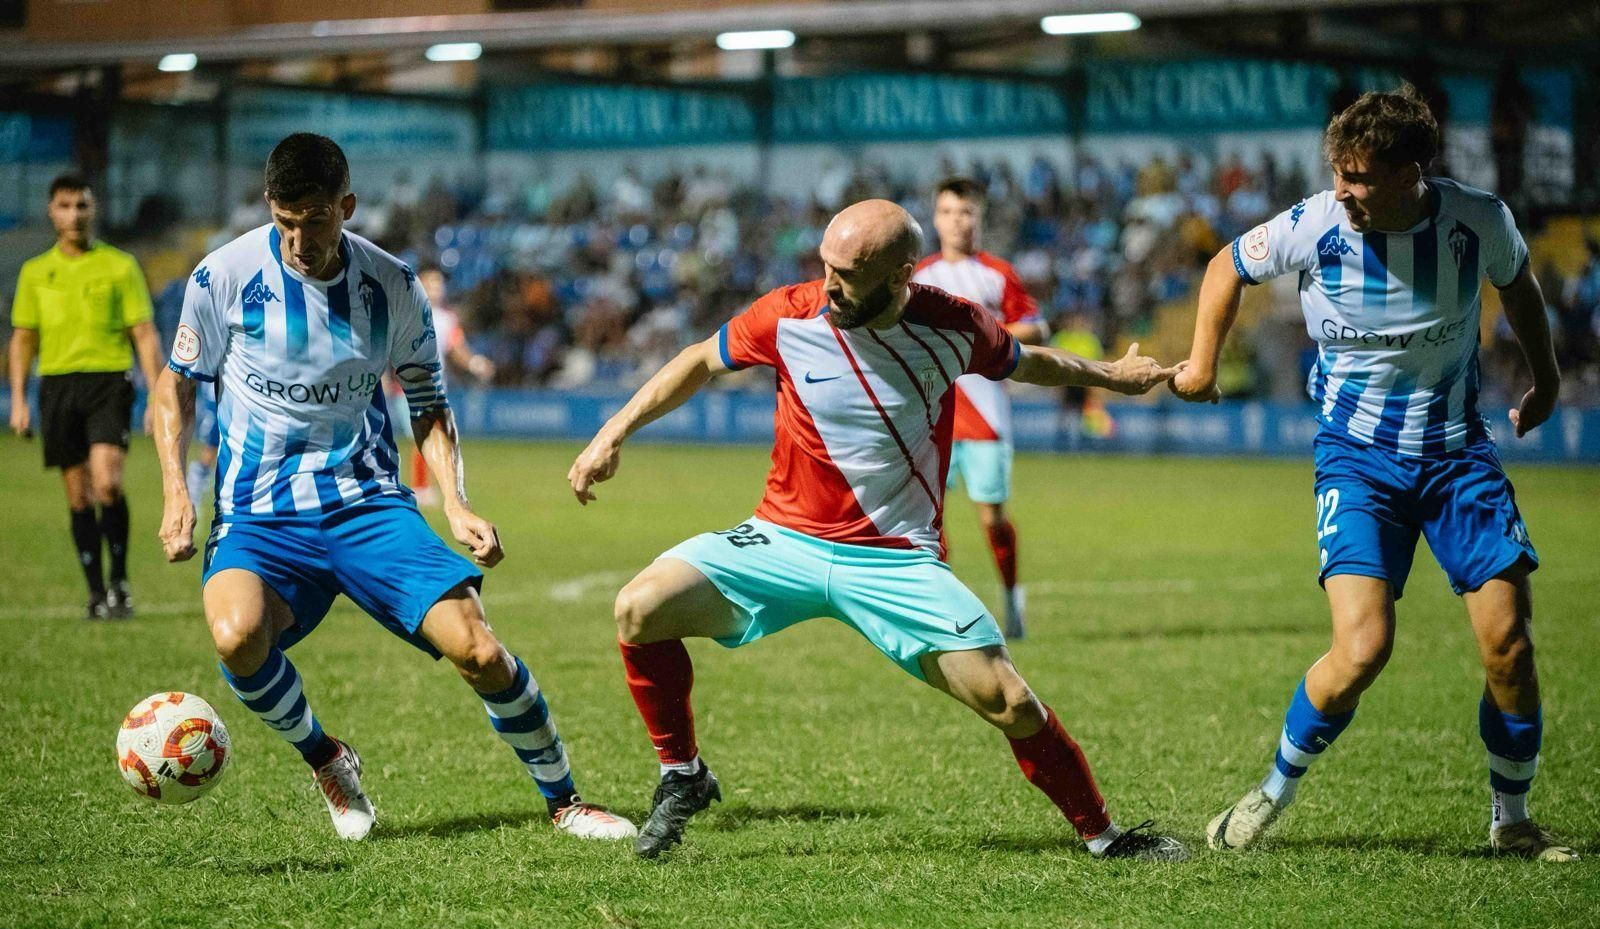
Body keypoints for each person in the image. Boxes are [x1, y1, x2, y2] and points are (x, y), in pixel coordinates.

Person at [569, 199, 1188, 862]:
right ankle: (683, 774)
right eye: (826, 267)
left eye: (848, 274)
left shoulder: (953, 326)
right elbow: (698, 358)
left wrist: (1112, 377)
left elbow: (1032, 361)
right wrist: (614, 432)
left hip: (894, 560)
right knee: (639, 607)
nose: (829, 285)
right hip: (781, 540)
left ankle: (1105, 835)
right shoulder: (788, 313)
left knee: (1009, 700)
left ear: (899, 276)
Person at [150, 133, 634, 844]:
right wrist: (175, 489)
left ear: (346, 206)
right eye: (285, 220)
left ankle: (566, 800)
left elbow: (428, 401)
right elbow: (176, 386)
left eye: (315, 219)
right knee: (236, 637)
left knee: (479, 652)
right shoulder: (220, 278)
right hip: (259, 514)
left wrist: (457, 500)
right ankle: (326, 756)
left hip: (367, 503)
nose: (298, 239)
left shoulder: (392, 285)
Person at [1171, 87, 1575, 861]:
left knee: (1510, 648)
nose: (1343, 190)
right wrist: (1201, 360)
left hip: (1458, 456)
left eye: (1359, 176)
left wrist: (1547, 378)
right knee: (1362, 650)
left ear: (1410, 172)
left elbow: (1519, 284)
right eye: (1338, 172)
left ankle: (1512, 818)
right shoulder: (1317, 224)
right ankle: (1269, 794)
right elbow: (1227, 265)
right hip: (1357, 462)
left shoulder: (1475, 220)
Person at [8, 174, 163, 620]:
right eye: (65, 206)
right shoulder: (36, 272)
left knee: (108, 483)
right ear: (51, 212)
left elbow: (144, 334)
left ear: (93, 210)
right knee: (78, 497)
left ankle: (120, 583)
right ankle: (96, 592)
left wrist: (156, 396)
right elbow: (22, 340)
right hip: (56, 386)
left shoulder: (120, 266)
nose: (74, 214)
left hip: (108, 382)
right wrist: (19, 399)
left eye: (82, 205)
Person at [912, 177, 1047, 638]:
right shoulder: (918, 276)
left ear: (979, 218)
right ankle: (941, 610)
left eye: (966, 212)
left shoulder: (997, 273)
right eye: (948, 212)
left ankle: (1012, 600)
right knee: (928, 518)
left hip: (988, 419)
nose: (957, 221)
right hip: (934, 418)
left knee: (992, 517)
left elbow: (1036, 329)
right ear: (935, 218)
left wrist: (986, 334)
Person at [392, 267, 495, 507]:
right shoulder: (407, 312)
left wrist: (474, 362)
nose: (438, 289)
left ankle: (428, 487)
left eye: (440, 285)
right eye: (433, 284)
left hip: (438, 388)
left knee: (437, 437)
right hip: (409, 389)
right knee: (424, 437)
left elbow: (457, 349)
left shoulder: (448, 319)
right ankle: (420, 488)